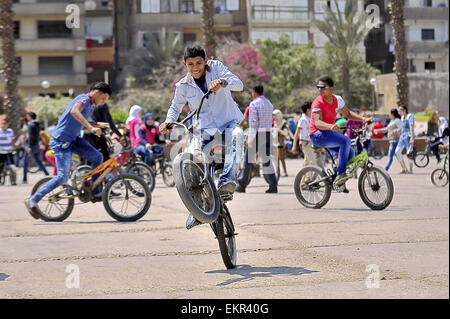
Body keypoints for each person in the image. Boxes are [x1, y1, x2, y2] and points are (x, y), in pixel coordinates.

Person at [159, 44, 245, 229]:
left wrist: (222, 82)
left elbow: (239, 84)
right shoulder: (183, 85)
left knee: (238, 135)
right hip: (203, 130)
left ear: (206, 61)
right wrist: (168, 121)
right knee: (190, 163)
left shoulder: (217, 68)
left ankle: (227, 182)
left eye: (199, 63)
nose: (195, 67)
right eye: (191, 64)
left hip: (228, 123)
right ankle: (197, 210)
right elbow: (175, 106)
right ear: (185, 65)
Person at [24, 82, 112, 219]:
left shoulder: (91, 105)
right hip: (61, 141)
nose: (103, 102)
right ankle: (32, 200)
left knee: (98, 157)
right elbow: (74, 111)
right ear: (97, 93)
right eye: (104, 98)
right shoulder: (83, 99)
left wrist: (99, 125)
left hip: (73, 140)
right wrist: (92, 127)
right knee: (62, 177)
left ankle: (94, 190)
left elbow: (80, 124)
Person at [309, 76, 372, 186]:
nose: (319, 89)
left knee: (351, 152)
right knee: (345, 141)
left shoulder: (337, 100)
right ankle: (340, 174)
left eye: (322, 87)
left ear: (331, 88)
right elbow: (317, 123)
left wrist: (363, 119)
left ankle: (335, 179)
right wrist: (330, 126)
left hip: (328, 133)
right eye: (318, 87)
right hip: (317, 135)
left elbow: (348, 114)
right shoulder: (317, 102)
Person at [235, 84, 278, 194]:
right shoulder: (269, 103)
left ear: (254, 92)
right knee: (267, 161)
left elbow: (253, 123)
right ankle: (273, 185)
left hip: (257, 134)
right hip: (267, 133)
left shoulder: (254, 104)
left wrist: (250, 140)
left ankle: (241, 185)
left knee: (248, 161)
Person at [292, 101, 325, 168]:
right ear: (308, 110)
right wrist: (294, 146)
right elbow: (297, 133)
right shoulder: (303, 120)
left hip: (311, 142)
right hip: (305, 143)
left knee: (307, 162)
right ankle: (309, 178)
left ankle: (304, 178)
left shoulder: (310, 119)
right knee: (313, 161)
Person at [23, 112, 50, 184]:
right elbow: (37, 136)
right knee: (39, 162)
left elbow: (30, 137)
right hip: (36, 146)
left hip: (31, 146)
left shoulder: (31, 125)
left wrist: (29, 146)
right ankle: (47, 175)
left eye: (27, 116)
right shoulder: (38, 125)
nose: (27, 117)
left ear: (30, 117)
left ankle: (24, 179)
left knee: (25, 162)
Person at [395, 105, 415, 174]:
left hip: (408, 136)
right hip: (402, 136)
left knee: (409, 152)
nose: (399, 113)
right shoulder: (402, 117)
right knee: (397, 151)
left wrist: (412, 138)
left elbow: (411, 127)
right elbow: (401, 127)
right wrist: (396, 130)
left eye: (400, 111)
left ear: (404, 110)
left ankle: (411, 169)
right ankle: (404, 168)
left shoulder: (410, 116)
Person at [0, 118, 17, 185]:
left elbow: (13, 141)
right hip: (1, 152)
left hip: (9, 152)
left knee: (12, 166)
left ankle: (13, 181)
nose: (4, 125)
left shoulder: (10, 131)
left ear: (7, 124)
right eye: (3, 124)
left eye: (5, 124)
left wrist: (14, 149)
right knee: (0, 166)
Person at [272, 109, 289, 177]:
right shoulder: (275, 123)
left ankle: (285, 171)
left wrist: (278, 130)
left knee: (280, 157)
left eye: (275, 115)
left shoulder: (283, 123)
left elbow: (286, 133)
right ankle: (277, 171)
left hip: (280, 142)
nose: (274, 117)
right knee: (276, 157)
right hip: (274, 142)